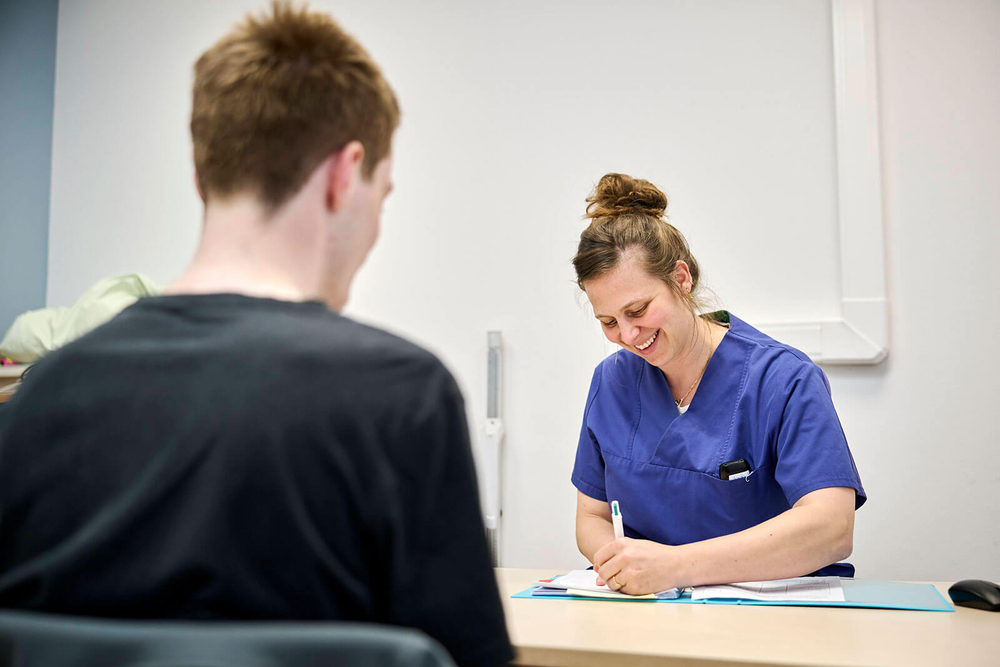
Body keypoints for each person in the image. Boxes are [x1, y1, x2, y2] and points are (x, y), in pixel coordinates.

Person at [0, 4, 512, 666]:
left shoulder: (42, 395)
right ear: (342, 174)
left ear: (202, 174)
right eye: (380, 197)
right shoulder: (402, 399)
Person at [571, 173, 866, 596]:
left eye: (638, 309)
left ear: (681, 279)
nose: (629, 335)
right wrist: (621, 564)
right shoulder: (612, 382)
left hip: (765, 619)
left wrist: (675, 567)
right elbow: (592, 517)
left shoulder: (783, 379)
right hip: (642, 612)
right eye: (609, 322)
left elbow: (831, 528)